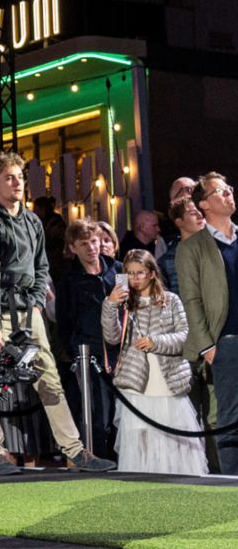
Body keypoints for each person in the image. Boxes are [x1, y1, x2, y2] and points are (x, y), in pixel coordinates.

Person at [0, 153, 115, 476]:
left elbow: (41, 267)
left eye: (19, 176)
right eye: (9, 177)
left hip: (27, 310)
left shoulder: (33, 221)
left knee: (49, 377)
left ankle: (75, 450)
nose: (17, 182)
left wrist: (35, 303)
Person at [102, 251, 207, 475]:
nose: (134, 278)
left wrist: (156, 342)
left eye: (140, 273)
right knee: (141, 436)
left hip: (168, 378)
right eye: (129, 273)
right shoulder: (124, 303)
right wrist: (110, 306)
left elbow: (185, 335)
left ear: (151, 273)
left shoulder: (171, 300)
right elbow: (111, 337)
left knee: (174, 437)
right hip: (136, 380)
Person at [177, 172, 238, 473]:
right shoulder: (192, 248)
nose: (228, 194)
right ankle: (231, 486)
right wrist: (208, 347)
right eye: (220, 191)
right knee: (228, 421)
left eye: (229, 189)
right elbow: (191, 300)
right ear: (205, 205)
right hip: (224, 344)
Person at [55, 218, 119, 459]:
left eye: (94, 241)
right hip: (90, 358)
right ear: (73, 247)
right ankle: (102, 461)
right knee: (99, 417)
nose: (92, 248)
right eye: (84, 244)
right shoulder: (69, 282)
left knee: (122, 415)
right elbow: (65, 325)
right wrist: (77, 354)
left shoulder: (117, 270)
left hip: (121, 354)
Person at [159, 198, 205, 293]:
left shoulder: (216, 249)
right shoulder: (166, 261)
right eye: (193, 213)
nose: (200, 216)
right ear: (179, 222)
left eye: (199, 212)